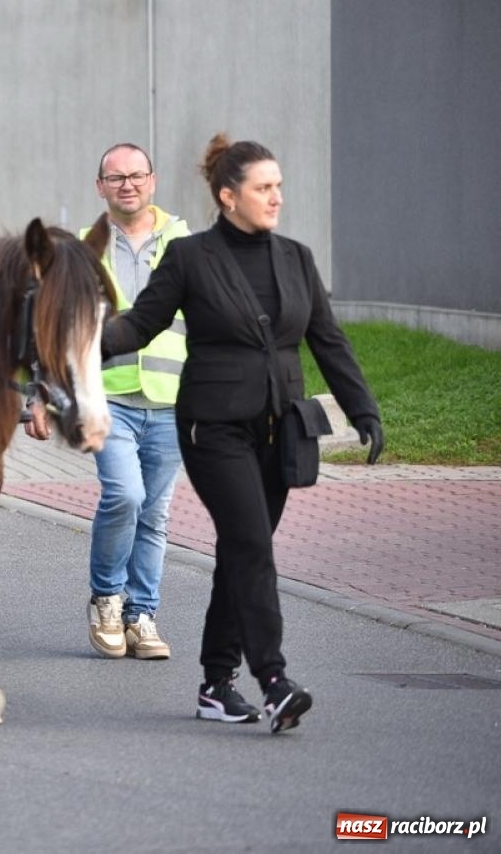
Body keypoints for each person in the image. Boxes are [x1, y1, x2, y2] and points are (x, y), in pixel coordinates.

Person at [102, 133, 385, 734]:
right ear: (228, 196)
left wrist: (364, 411)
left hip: (281, 430)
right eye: (263, 188)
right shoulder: (190, 257)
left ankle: (215, 684)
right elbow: (141, 326)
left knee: (240, 551)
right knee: (252, 544)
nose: (276, 197)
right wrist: (72, 347)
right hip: (213, 427)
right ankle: (274, 681)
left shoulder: (296, 258)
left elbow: (328, 340)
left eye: (278, 186)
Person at [30, 144, 189, 661]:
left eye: (136, 175)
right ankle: (107, 598)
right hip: (107, 396)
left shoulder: (185, 244)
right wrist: (40, 396)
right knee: (125, 495)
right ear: (100, 187)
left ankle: (142, 614)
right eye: (116, 177)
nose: (128, 184)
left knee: (155, 512)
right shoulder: (80, 251)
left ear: (153, 181)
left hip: (172, 399)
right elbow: (52, 327)